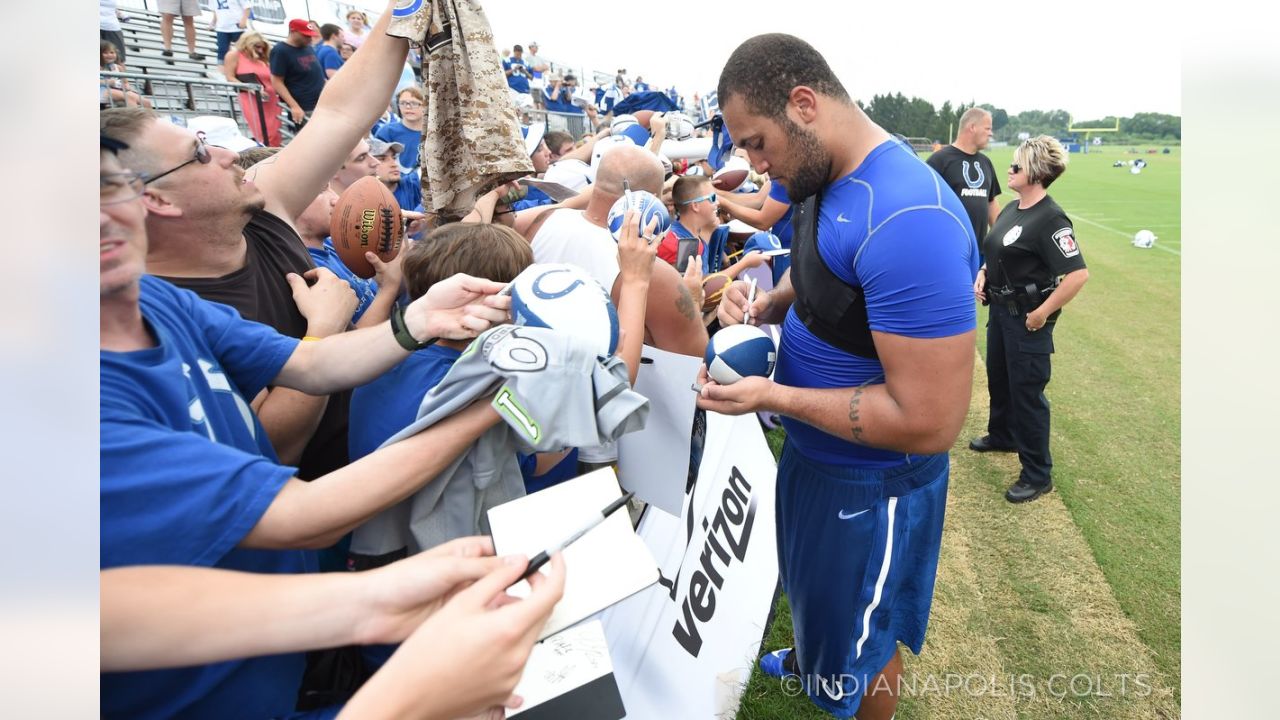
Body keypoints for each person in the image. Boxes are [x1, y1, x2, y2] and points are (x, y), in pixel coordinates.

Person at [98, 132, 519, 718]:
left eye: (107, 185)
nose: (99, 216)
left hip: (277, 657)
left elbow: (311, 364)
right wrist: (499, 401)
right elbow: (302, 516)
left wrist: (417, 318)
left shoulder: (158, 301)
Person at [697, 34, 979, 720]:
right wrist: (773, 300)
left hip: (871, 484)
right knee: (819, 599)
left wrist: (771, 396)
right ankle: (809, 657)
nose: (758, 167)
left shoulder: (911, 217)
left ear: (804, 105)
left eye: (759, 144)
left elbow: (931, 420)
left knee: (865, 640)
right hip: (817, 457)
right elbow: (825, 264)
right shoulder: (820, 175)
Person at [970, 135, 1089, 503]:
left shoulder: (1051, 217)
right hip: (1001, 314)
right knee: (1000, 380)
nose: (1009, 169)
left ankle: (1038, 474)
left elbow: (1077, 275)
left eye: (1016, 166)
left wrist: (1041, 313)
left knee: (1028, 394)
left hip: (1027, 319)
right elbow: (998, 249)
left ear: (1035, 172)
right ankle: (1003, 435)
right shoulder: (1012, 208)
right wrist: (985, 272)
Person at [926, 107, 1002, 249]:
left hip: (979, 251)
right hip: (948, 250)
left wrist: (1001, 239)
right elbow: (924, 205)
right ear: (972, 127)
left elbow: (991, 203)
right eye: (987, 128)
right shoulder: (939, 161)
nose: (991, 134)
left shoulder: (986, 163)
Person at [223, 31, 283, 146]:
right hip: (250, 98)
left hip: (272, 99)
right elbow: (230, 77)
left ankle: (275, 157)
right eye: (257, 46)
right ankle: (267, 158)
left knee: (275, 134)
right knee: (262, 132)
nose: (260, 50)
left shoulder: (264, 57)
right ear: (247, 44)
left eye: (262, 47)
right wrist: (251, 89)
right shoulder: (234, 55)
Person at [270, 19, 327, 129]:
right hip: (305, 106)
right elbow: (276, 81)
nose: (309, 39)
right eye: (305, 35)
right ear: (293, 31)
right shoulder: (281, 50)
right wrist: (294, 106)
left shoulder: (308, 47)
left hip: (321, 103)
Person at [375, 86, 425, 171]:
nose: (408, 107)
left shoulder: (434, 133)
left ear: (425, 106)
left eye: (414, 103)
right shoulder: (387, 132)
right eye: (403, 103)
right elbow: (377, 164)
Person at [101, 41, 151, 109]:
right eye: (105, 53)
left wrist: (127, 87)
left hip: (118, 90)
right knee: (129, 97)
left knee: (146, 102)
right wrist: (108, 82)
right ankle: (133, 119)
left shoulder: (118, 67)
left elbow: (125, 82)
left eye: (112, 52)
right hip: (102, 91)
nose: (109, 55)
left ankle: (150, 119)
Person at [524, 41, 550, 108]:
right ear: (531, 47)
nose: (537, 48)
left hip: (540, 81)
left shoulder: (539, 58)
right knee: (535, 100)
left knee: (542, 101)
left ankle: (542, 117)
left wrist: (540, 68)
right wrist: (541, 68)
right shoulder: (528, 57)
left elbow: (547, 67)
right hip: (533, 81)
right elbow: (535, 69)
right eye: (535, 47)